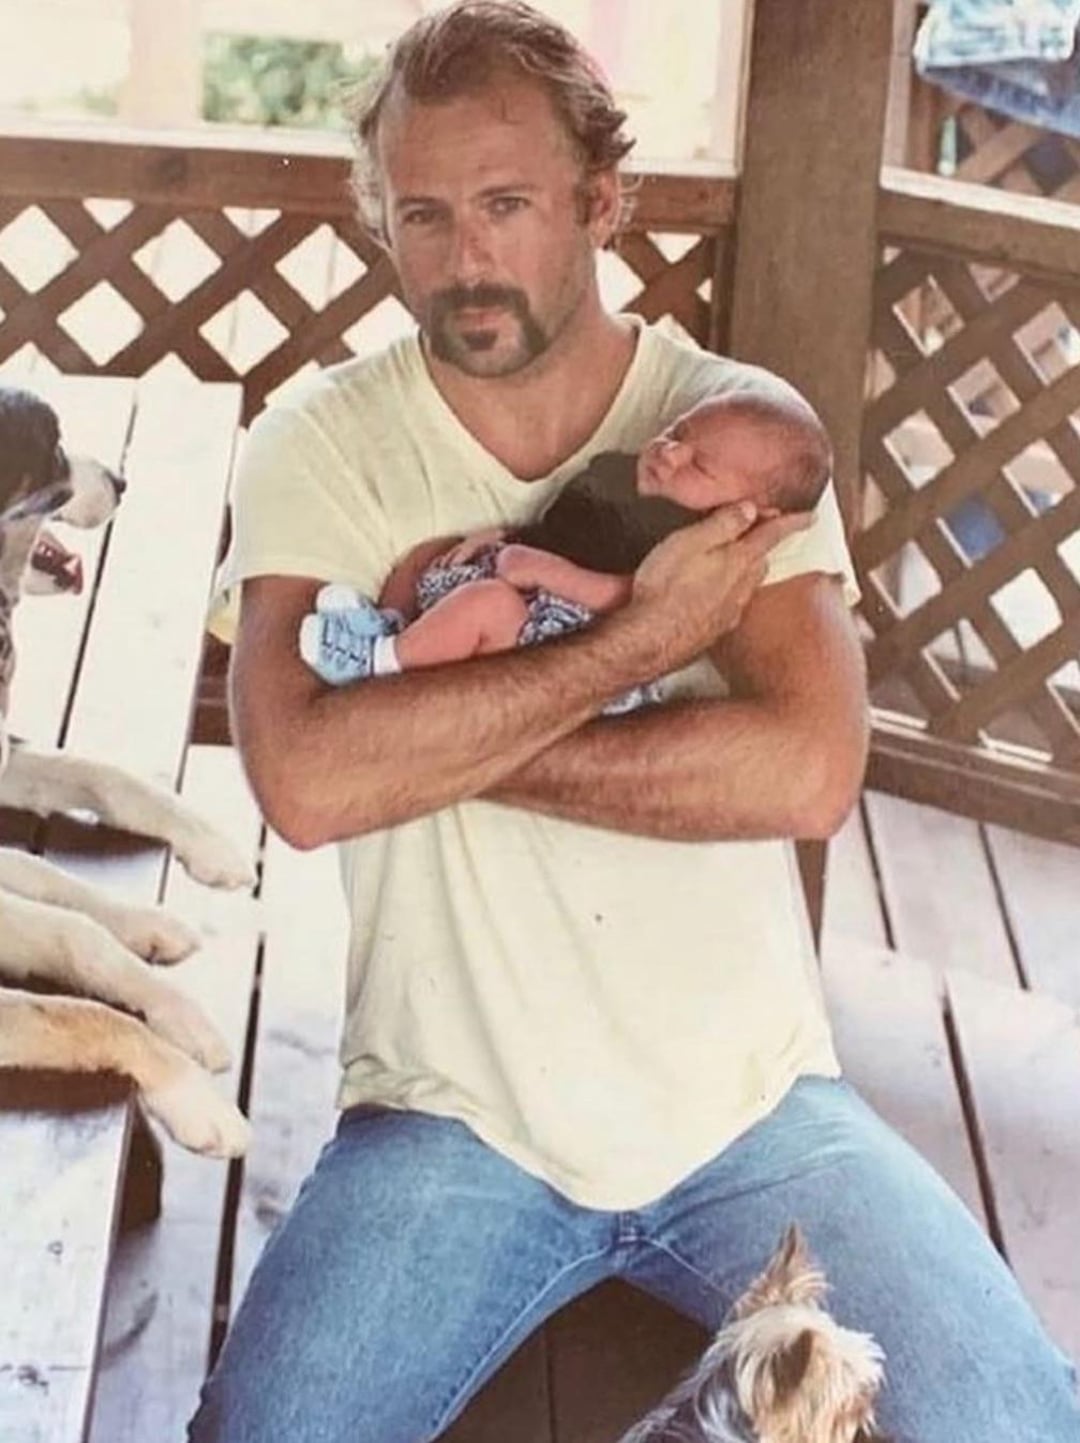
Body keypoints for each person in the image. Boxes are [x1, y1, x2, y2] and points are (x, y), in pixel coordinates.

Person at [192, 4, 1080, 1441]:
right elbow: (303, 778)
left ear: (603, 200)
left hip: (751, 1109)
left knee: (1014, 1416)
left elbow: (807, 763)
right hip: (447, 1117)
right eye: (422, 213)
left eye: (506, 204)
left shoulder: (729, 426)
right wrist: (647, 643)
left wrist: (433, 733)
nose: (464, 256)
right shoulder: (322, 441)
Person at [297, 392, 827, 697]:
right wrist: (500, 538)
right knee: (427, 554)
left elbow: (633, 598)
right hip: (524, 573)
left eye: (701, 465)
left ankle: (377, 665)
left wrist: (549, 574)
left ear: (749, 512)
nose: (671, 453)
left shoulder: (690, 538)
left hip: (557, 634)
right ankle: (393, 626)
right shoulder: (620, 472)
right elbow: (559, 531)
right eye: (678, 431)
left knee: (487, 605)